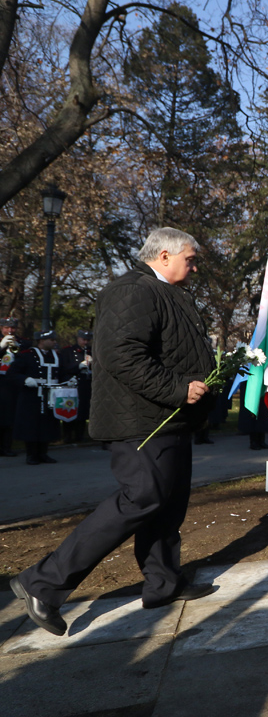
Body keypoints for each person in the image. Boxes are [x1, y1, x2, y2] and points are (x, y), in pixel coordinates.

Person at [10, 227, 219, 636]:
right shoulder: (133, 291)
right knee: (142, 496)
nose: (194, 266)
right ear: (163, 255)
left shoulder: (166, 292)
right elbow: (120, 354)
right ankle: (43, 582)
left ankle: (163, 582)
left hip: (169, 417)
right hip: (140, 421)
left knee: (167, 503)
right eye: (190, 259)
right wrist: (178, 388)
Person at [9, 330, 76, 465]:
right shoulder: (27, 355)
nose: (54, 342)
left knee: (48, 424)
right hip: (31, 395)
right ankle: (31, 454)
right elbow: (12, 373)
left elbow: (63, 373)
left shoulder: (56, 356)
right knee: (31, 425)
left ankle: (43, 453)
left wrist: (69, 380)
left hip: (51, 395)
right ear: (41, 341)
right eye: (51, 339)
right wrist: (25, 379)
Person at [0, 316, 30, 456]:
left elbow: (26, 362)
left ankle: (7, 447)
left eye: (12, 328)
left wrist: (16, 349)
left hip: (12, 384)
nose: (10, 330)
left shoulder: (23, 343)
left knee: (9, 417)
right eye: (6, 328)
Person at [59, 330, 93, 443]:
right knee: (69, 410)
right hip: (72, 385)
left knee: (83, 412)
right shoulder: (68, 351)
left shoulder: (91, 351)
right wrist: (78, 366)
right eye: (83, 339)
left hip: (85, 384)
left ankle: (80, 436)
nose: (85, 342)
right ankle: (67, 436)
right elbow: (63, 367)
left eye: (88, 340)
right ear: (78, 338)